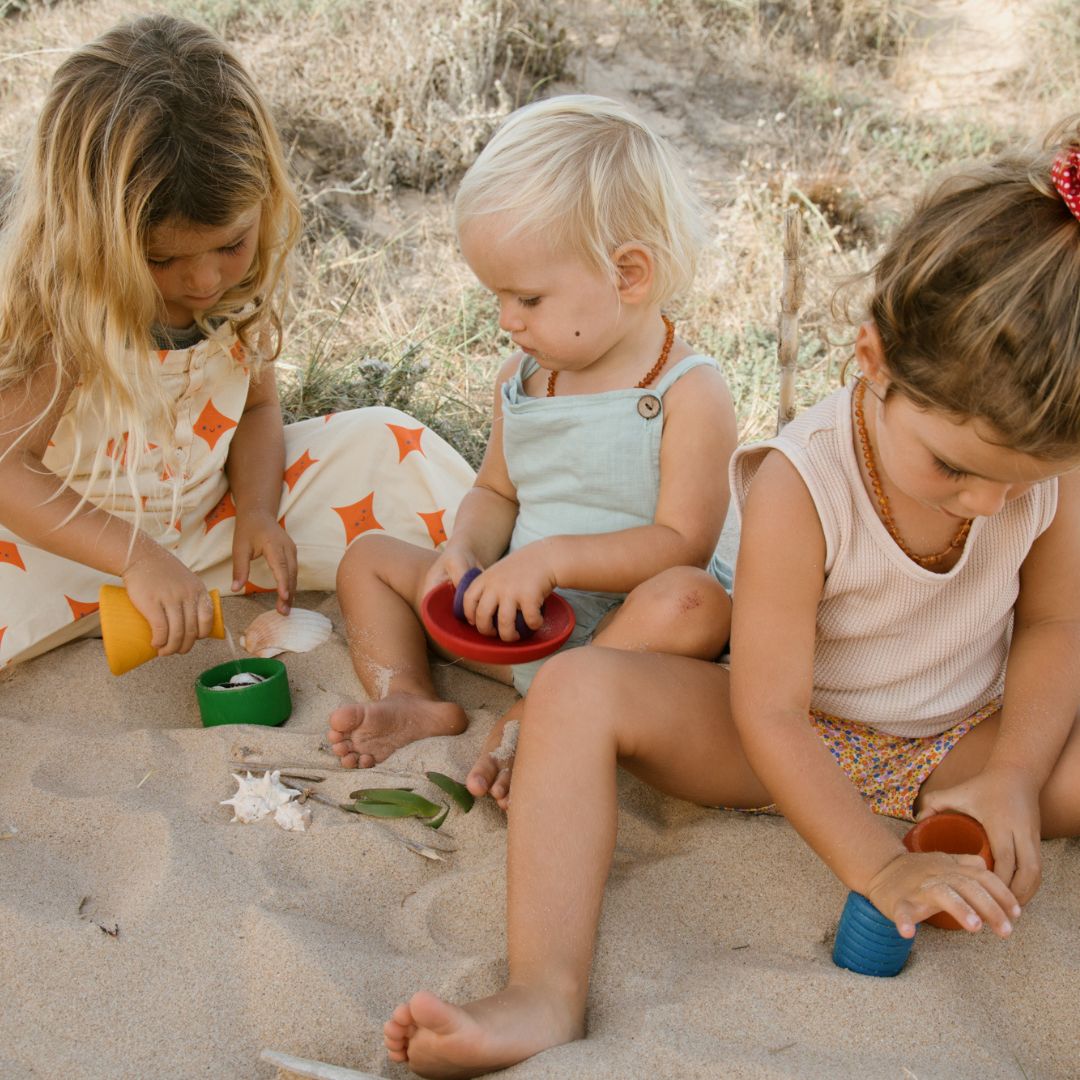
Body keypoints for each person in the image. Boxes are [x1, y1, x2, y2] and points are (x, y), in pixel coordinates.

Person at [380, 127, 1080, 1076]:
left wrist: (1014, 774)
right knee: (579, 693)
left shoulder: (1039, 462)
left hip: (968, 734)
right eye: (956, 469)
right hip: (790, 733)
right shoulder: (807, 479)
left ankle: (972, 800)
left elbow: (1052, 623)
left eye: (1026, 477)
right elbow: (767, 707)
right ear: (873, 360)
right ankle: (542, 991)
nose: (992, 503)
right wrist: (876, 868)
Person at [0, 14, 473, 669]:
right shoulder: (68, 307)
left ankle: (501, 576)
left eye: (230, 244)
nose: (204, 280)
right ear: (92, 236)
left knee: (387, 443)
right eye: (161, 260)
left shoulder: (236, 289)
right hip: (68, 552)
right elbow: (6, 470)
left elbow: (254, 410)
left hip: (213, 533)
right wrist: (138, 558)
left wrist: (256, 510)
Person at [326, 95, 737, 803]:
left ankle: (542, 709)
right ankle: (412, 694)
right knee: (367, 559)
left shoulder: (687, 392)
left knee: (693, 601)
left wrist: (549, 560)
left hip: (630, 641)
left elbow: (681, 545)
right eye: (498, 298)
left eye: (529, 299)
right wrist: (466, 550)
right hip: (520, 625)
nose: (507, 320)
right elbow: (497, 491)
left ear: (628, 274)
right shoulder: (522, 378)